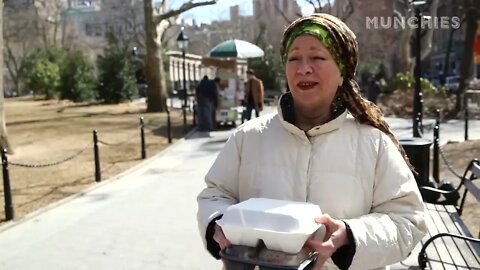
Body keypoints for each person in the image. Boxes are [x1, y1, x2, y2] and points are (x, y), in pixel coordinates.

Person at [197, 13, 426, 270]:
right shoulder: (248, 137)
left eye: (317, 57)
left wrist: (351, 236)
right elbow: (215, 194)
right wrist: (218, 224)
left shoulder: (374, 144)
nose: (303, 67)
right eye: (293, 58)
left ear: (343, 71)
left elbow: (407, 220)